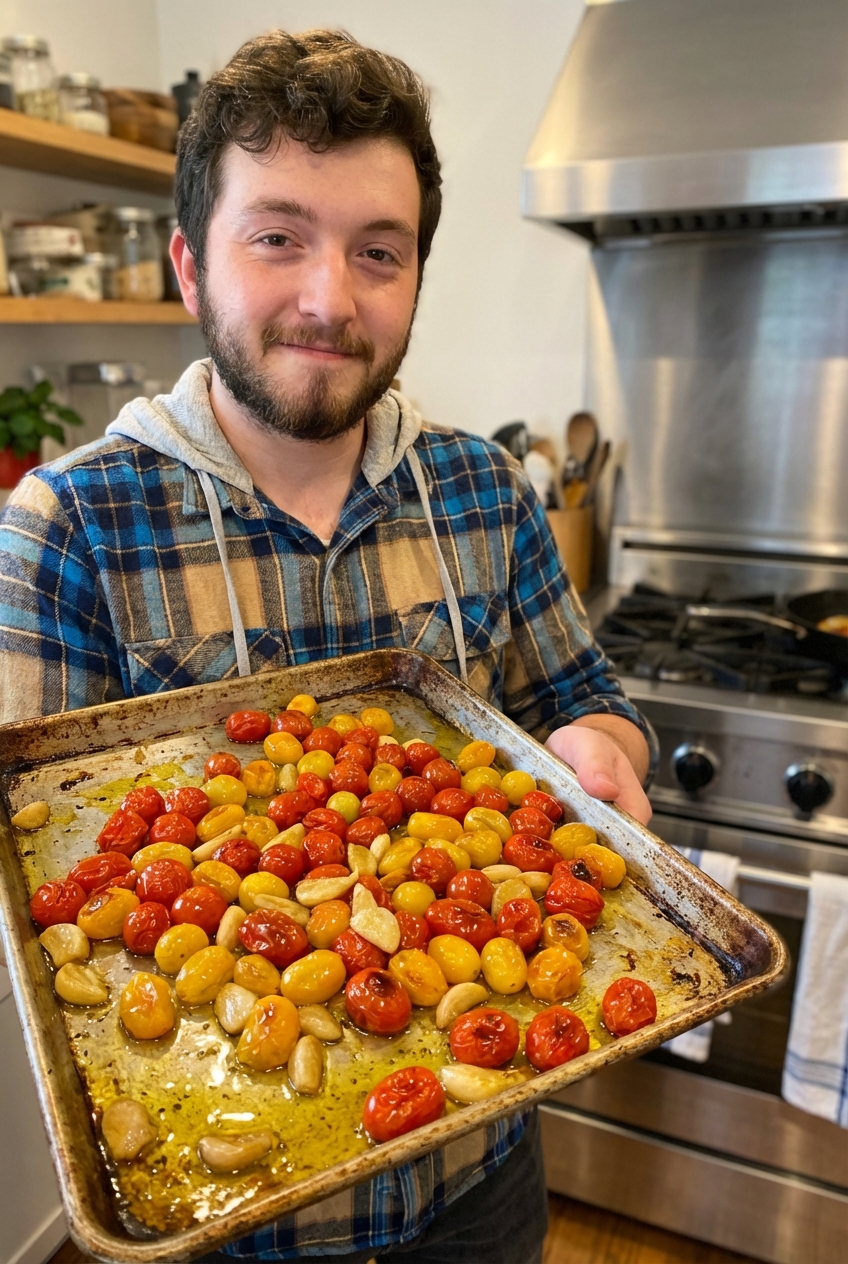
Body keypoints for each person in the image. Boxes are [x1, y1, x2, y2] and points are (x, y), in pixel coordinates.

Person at [0, 30, 651, 1264]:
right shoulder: (66, 527)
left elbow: (588, 700)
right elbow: (35, 887)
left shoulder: (485, 490)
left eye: (377, 252)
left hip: (478, 1181)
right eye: (277, 238)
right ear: (190, 264)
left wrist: (601, 748)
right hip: (221, 1218)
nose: (328, 299)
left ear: (415, 278)